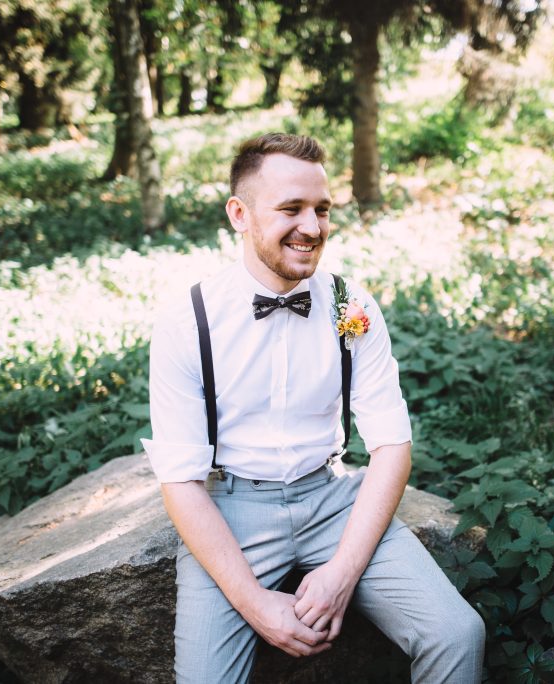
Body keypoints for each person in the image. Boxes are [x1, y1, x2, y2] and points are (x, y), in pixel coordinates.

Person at [142, 132, 485, 683]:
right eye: (291, 209)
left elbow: (392, 445)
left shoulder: (352, 305)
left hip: (332, 498)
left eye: (321, 209)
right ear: (239, 214)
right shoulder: (188, 320)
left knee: (457, 633)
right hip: (232, 509)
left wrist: (342, 573)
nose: (312, 227)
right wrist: (256, 603)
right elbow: (180, 480)